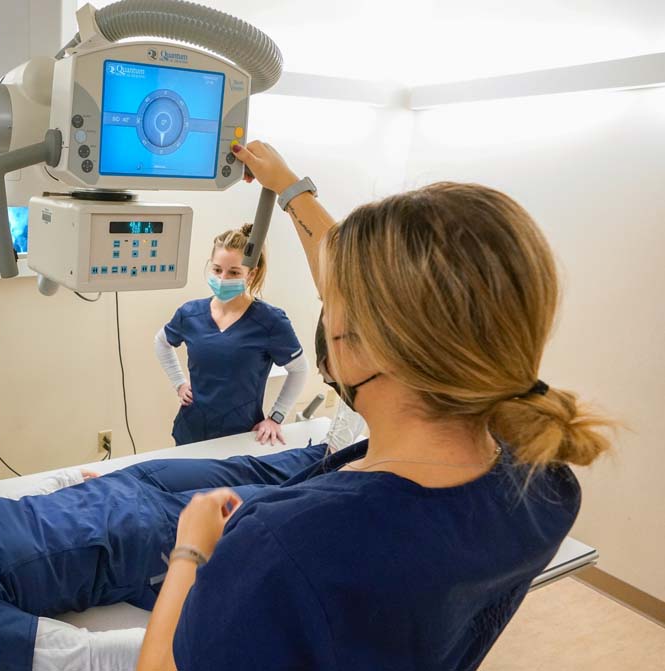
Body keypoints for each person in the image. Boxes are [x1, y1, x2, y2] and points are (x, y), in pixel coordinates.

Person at [136, 141, 613, 671]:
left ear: (366, 348)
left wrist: (191, 551)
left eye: (332, 302)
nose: (326, 309)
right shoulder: (548, 486)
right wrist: (289, 188)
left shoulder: (286, 545)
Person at [0, 442, 330, 671]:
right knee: (287, 506)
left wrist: (79, 475)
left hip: (129, 484)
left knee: (265, 464)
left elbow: (24, 503)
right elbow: (80, 656)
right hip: (152, 542)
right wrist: (180, 637)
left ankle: (348, 447)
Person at [155, 223, 309, 446]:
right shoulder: (190, 314)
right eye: (217, 270)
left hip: (242, 435)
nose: (223, 278)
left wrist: (276, 417)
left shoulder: (270, 321)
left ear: (251, 273)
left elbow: (300, 369)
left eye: (234, 272)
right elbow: (161, 343)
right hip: (191, 431)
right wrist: (179, 382)